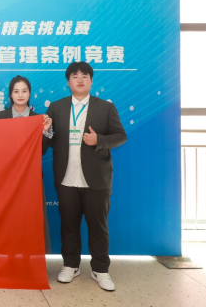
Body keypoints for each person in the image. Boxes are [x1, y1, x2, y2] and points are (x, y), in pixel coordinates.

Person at [43, 62, 127, 291]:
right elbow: (50, 142)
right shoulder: (57, 107)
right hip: (66, 177)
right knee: (69, 225)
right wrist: (46, 132)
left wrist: (99, 140)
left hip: (96, 178)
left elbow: (120, 136)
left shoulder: (105, 107)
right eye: (75, 76)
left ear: (91, 81)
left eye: (84, 76)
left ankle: (100, 270)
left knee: (98, 227)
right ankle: (70, 265)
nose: (80, 80)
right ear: (68, 82)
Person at [0, 75, 53, 254]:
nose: (20, 95)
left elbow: (41, 151)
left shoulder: (39, 119)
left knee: (31, 219)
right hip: (6, 178)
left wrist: (46, 131)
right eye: (16, 91)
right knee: (8, 219)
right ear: (10, 95)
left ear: (29, 94)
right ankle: (8, 256)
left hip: (31, 177)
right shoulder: (0, 117)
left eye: (24, 91)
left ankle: (31, 259)